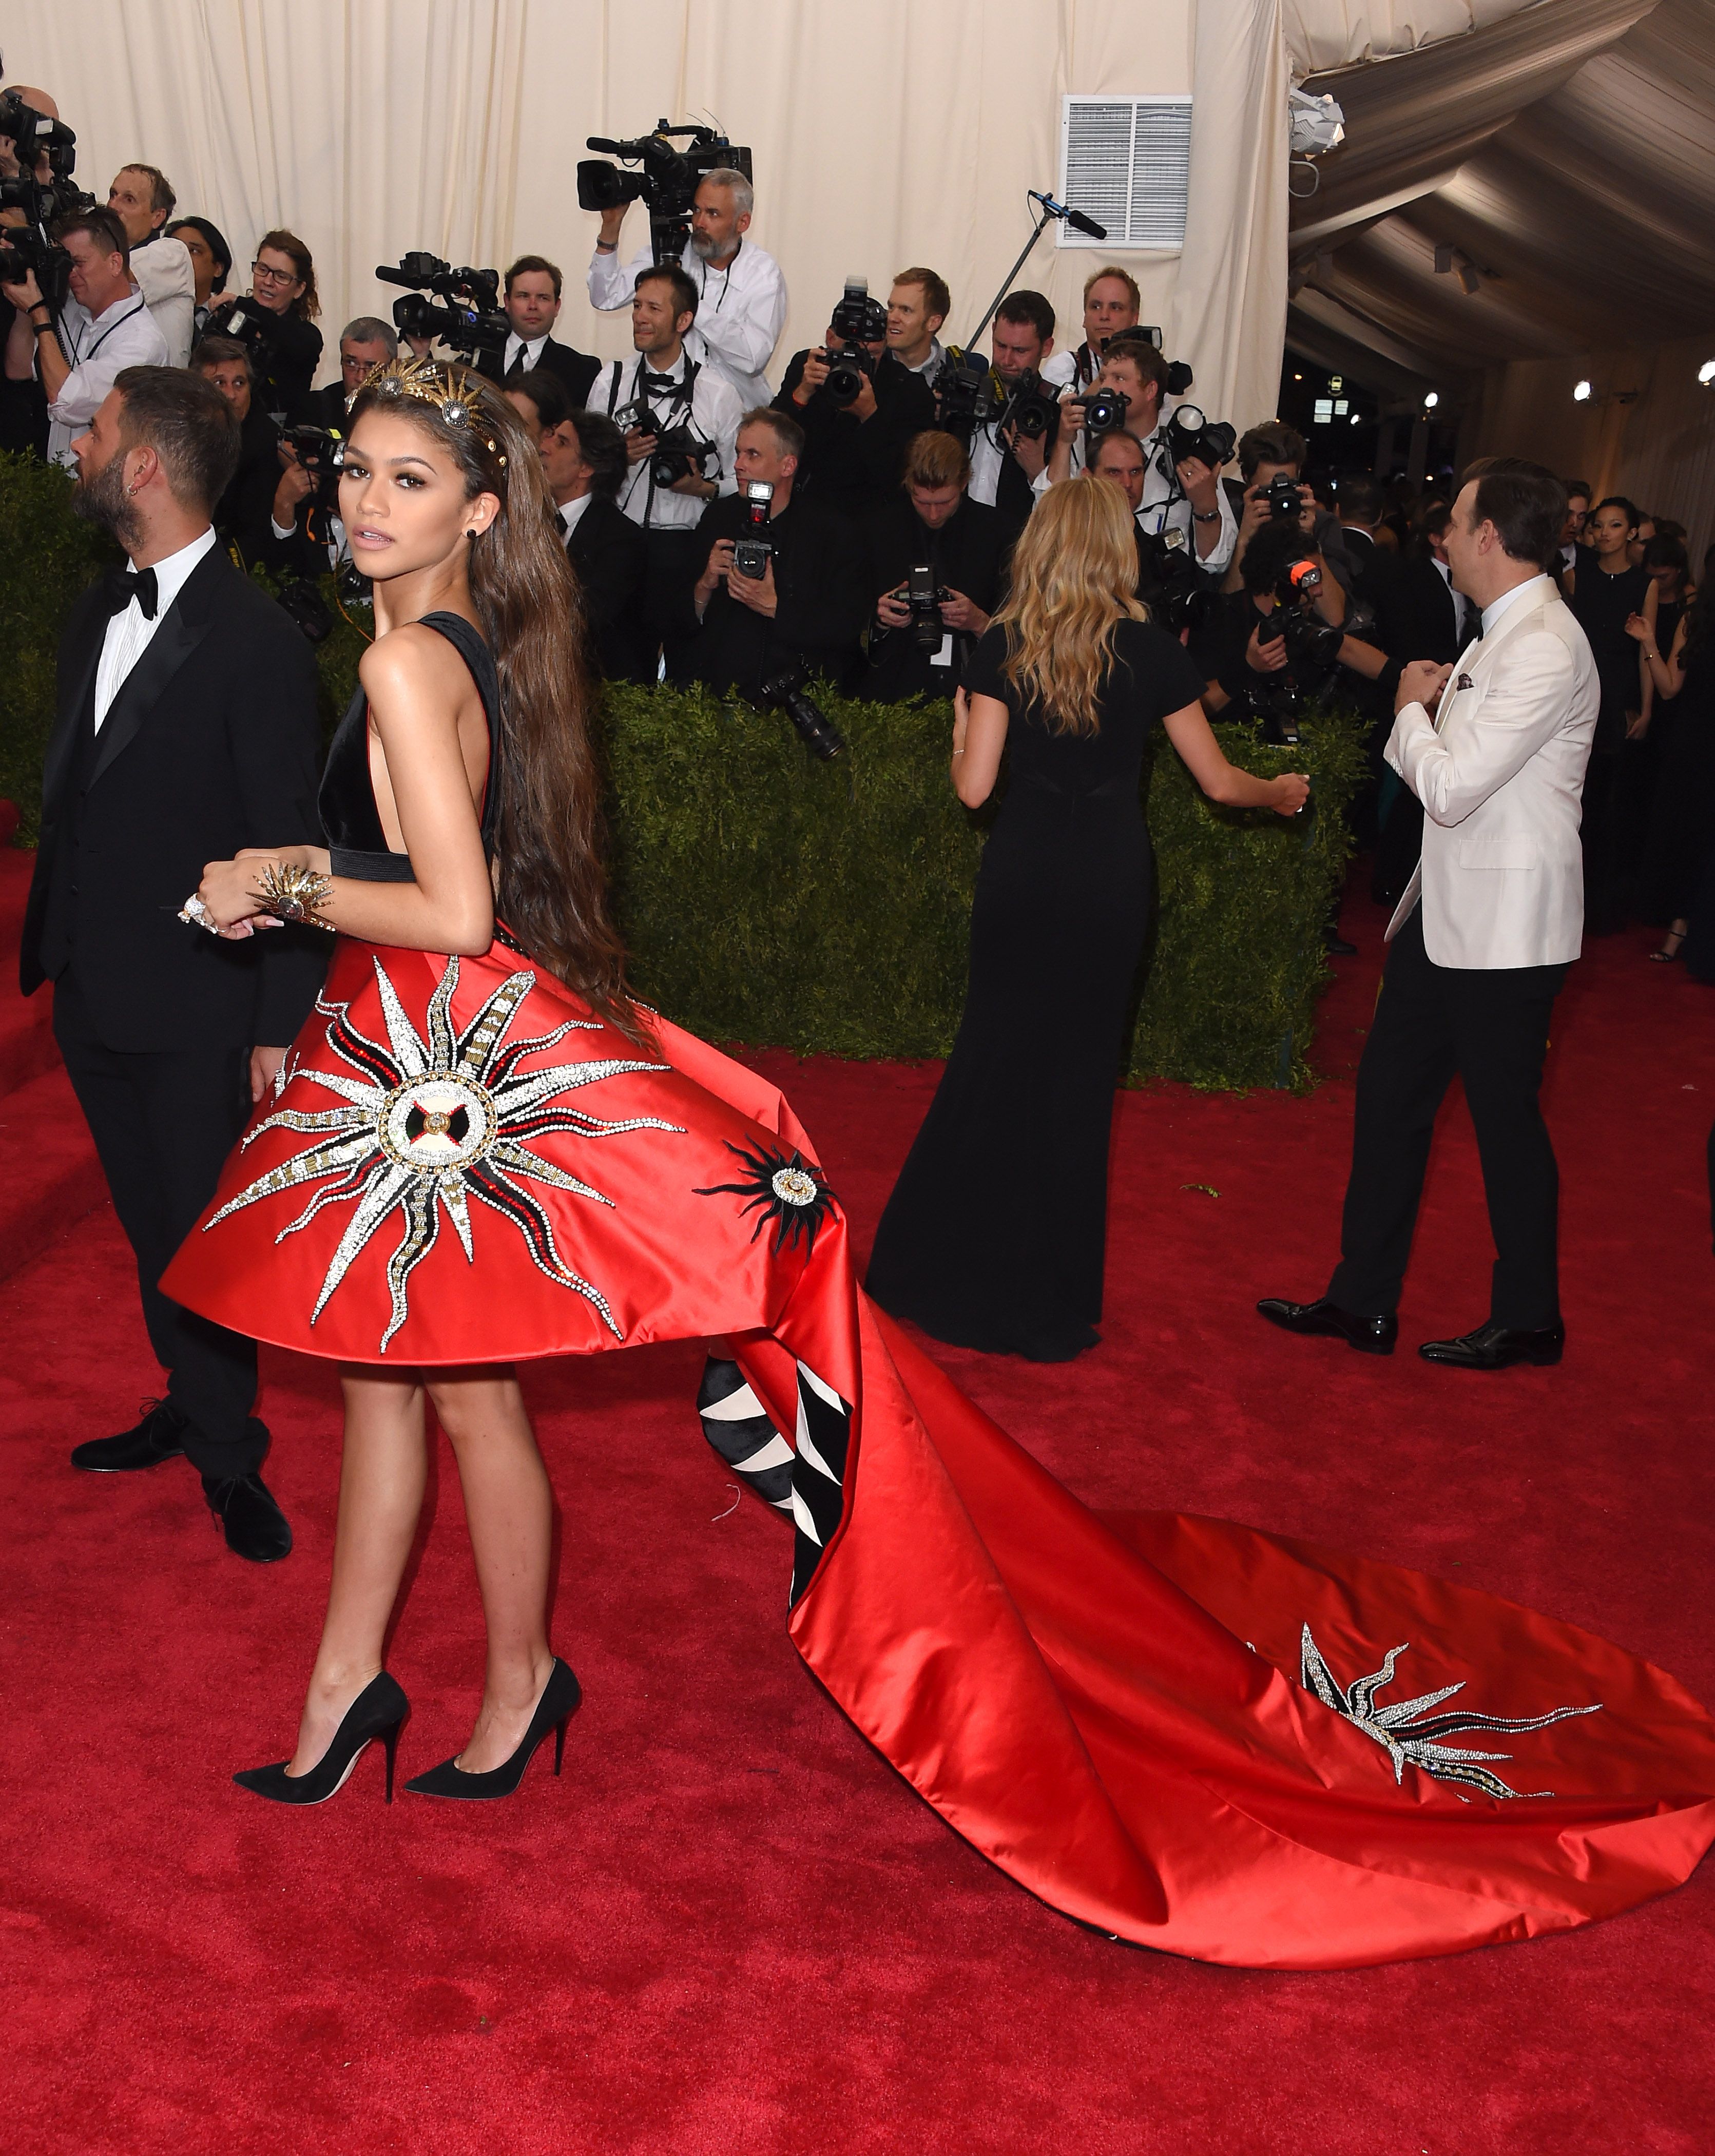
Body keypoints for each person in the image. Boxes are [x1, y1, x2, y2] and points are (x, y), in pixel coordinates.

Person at [155, 363, 1714, 1965]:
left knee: (431, 1387)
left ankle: (460, 1685)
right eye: (353, 469)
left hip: (431, 1049)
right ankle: (417, 1685)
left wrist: (275, 878)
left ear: (481, 506)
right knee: (418, 1388)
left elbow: (456, 908)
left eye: (407, 479)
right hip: (435, 1071)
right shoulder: (483, 640)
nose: (363, 499)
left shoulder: (414, 655)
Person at [866, 473, 1307, 1360]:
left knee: (989, 1061)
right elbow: (1219, 783)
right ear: (1116, 548)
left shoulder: (1004, 645)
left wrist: (958, 732)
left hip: (1024, 874)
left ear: (1041, 546)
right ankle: (1049, 1290)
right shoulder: (1152, 651)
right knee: (1074, 1082)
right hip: (1107, 880)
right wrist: (1283, 793)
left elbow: (974, 790)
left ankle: (930, 1265)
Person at [16, 365, 325, 1558]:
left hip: (199, 1004)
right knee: (153, 1228)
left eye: (95, 432)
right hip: (91, 980)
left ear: (145, 466)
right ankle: (189, 1403)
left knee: (199, 1236)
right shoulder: (100, 608)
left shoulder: (255, 642)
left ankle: (227, 1453)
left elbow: (293, 844)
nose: (78, 446)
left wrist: (274, 1023)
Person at [1260, 458, 1598, 1371]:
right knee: (1388, 1109)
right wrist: (1429, 709)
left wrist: (1409, 711)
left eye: (1454, 521)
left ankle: (1530, 1317)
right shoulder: (1500, 635)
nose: (1440, 535)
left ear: (1491, 536)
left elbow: (1446, 788)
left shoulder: (1543, 645)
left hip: (1508, 933)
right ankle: (1362, 1301)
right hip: (1443, 917)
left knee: (1504, 1126)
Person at [592, 263, 742, 670]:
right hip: (616, 545)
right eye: (637, 306)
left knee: (685, 665)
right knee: (615, 666)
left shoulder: (718, 393)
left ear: (683, 320)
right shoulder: (611, 381)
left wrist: (704, 489)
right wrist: (616, 457)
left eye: (653, 309)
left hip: (684, 546)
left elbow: (740, 479)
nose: (639, 316)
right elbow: (582, 469)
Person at [680, 406, 868, 696]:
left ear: (788, 466)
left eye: (752, 455)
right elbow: (679, 619)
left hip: (798, 697)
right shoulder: (719, 518)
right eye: (739, 452)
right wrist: (704, 585)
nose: (738, 464)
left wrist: (777, 608)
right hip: (719, 694)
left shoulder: (830, 531)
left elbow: (846, 626)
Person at [588, 167, 785, 409]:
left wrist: (684, 300)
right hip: (667, 406)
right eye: (697, 210)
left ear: (742, 222)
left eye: (713, 214)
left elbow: (753, 358)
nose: (700, 223)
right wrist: (611, 227)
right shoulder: (670, 250)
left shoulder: (763, 273)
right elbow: (605, 297)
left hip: (739, 411)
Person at [1042, 335, 1237, 571]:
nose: (1106, 387)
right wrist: (1063, 442)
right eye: (1103, 378)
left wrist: (1206, 506)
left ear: (1150, 390)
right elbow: (1046, 524)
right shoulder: (1082, 438)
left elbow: (1216, 563)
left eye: (1120, 378)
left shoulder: (1186, 451)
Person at [506, 377, 650, 683]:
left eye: (561, 443)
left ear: (586, 468)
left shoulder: (621, 540)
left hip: (590, 688)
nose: (543, 448)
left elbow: (587, 618)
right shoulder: (526, 517)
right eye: (551, 436)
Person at [2, 207, 169, 467]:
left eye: (78, 263)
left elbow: (67, 403)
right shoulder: (74, 311)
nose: (70, 273)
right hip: (61, 485)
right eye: (64, 263)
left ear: (115, 263)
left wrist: (39, 313)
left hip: (109, 495)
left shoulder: (142, 342)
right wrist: (26, 298)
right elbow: (19, 368)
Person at [863, 430, 1004, 702]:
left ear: (964, 483)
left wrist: (979, 622)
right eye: (922, 502)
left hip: (973, 690)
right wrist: (879, 619)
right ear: (907, 485)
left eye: (944, 502)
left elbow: (1022, 631)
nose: (934, 514)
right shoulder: (877, 531)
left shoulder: (997, 533)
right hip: (894, 690)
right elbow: (847, 619)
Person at [772, 290, 936, 517]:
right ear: (830, 339)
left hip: (863, 521)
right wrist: (801, 394)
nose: (857, 362)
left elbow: (902, 479)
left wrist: (870, 416)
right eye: (849, 350)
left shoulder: (910, 391)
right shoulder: (808, 366)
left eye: (872, 354)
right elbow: (771, 441)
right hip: (799, 509)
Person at [1566, 495, 1651, 932]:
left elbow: (1643, 651)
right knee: (1569, 798)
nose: (1603, 533)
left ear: (1632, 532)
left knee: (1601, 803)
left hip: (1615, 693)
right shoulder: (1575, 577)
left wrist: (1646, 706)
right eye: (1598, 525)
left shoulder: (1644, 584)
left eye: (1614, 526)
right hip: (1576, 690)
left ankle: (1591, 906)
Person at [1631, 549, 1715, 960]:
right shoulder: (1692, 618)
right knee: (1692, 838)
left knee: (1692, 838)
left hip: (1692, 745)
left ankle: (1681, 930)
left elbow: (1668, 689)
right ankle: (1680, 928)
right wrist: (1649, 641)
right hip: (1694, 748)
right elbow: (1667, 688)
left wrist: (1649, 643)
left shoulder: (1692, 618)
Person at [1223, 421, 1355, 600]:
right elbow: (1226, 613)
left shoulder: (1322, 524)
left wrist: (1307, 540)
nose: (1279, 499)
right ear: (1247, 480)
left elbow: (1336, 617)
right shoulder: (1233, 519)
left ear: (1299, 475)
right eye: (1269, 490)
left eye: (1287, 487)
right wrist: (1244, 540)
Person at [968, 290, 1056, 550]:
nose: (1006, 360)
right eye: (1000, 345)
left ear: (1047, 347)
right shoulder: (964, 394)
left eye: (1020, 350)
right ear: (993, 330)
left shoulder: (1055, 412)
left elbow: (1065, 511)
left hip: (1019, 552)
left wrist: (1036, 471)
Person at [191, 335, 282, 561]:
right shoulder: (176, 434)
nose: (232, 395)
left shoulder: (264, 440)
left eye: (240, 383)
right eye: (219, 383)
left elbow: (256, 533)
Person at [476, 254, 598, 409]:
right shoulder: (476, 355)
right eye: (523, 296)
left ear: (557, 306)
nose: (533, 306)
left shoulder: (583, 371)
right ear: (507, 302)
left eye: (543, 298)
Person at [105, 164, 196, 365]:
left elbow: (110, 281)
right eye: (113, 195)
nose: (113, 207)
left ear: (157, 217)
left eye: (129, 200)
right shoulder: (108, 257)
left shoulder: (173, 253)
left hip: (158, 394)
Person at [240, 229, 323, 420]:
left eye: (281, 277)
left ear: (299, 289)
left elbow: (282, 334)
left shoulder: (306, 337)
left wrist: (243, 304)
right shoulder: (234, 318)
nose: (268, 282)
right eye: (262, 269)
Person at [1042, 263, 1142, 395]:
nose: (1104, 316)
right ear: (1084, 318)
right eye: (1096, 307)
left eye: (1115, 308)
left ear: (1135, 319)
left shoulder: (1146, 371)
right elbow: (1058, 416)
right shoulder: (1064, 367)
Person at [299, 316, 398, 432]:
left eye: (371, 366)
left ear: (393, 367)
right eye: (351, 363)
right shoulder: (316, 408)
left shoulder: (404, 413)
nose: (360, 378)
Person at [887, 267, 951, 395]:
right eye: (891, 307)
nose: (891, 318)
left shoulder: (960, 368)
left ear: (933, 323)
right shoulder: (870, 364)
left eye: (906, 310)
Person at [164, 214, 232, 337]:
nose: (181, 256)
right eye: (174, 249)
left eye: (194, 251)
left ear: (218, 268)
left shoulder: (228, 319)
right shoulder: (148, 310)